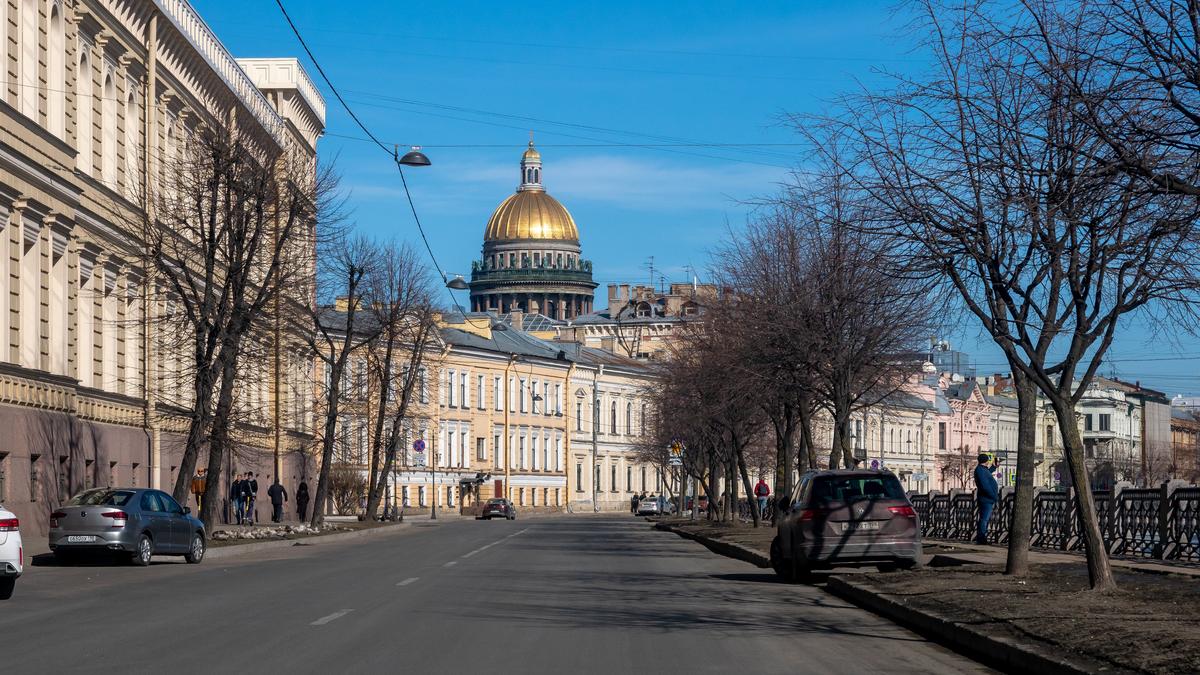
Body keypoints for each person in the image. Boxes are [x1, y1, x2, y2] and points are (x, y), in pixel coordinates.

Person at [974, 453, 999, 544]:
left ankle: (982, 538)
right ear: (986, 461)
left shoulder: (982, 469)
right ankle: (981, 539)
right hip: (986, 499)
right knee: (984, 519)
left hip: (986, 498)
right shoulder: (980, 470)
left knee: (984, 519)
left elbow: (987, 473)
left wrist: (994, 467)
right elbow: (985, 486)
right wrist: (993, 495)